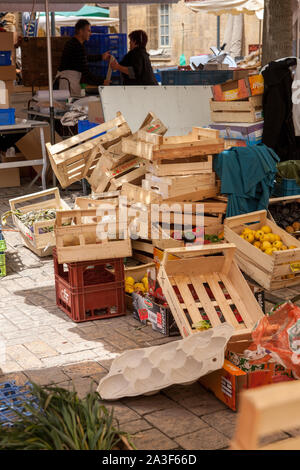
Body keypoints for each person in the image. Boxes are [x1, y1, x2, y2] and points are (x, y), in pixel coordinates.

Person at [56, 19, 110, 96]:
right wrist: (102, 81)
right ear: (81, 31)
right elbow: (85, 71)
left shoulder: (74, 43)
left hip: (69, 82)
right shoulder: (76, 45)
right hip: (69, 83)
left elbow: (84, 58)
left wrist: (101, 57)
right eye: (88, 31)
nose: (90, 34)